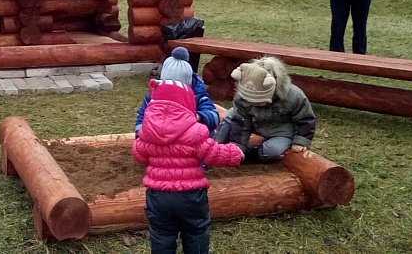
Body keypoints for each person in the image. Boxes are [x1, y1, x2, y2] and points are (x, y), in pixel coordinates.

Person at [132, 78, 244, 254]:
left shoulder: (147, 132)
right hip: (190, 196)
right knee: (196, 232)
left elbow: (139, 154)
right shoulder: (196, 131)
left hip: (158, 197)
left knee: (161, 234)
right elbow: (213, 154)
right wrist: (235, 153)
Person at [213, 56, 316, 163]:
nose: (254, 103)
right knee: (232, 114)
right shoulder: (242, 98)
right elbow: (241, 122)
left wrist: (301, 140)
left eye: (259, 100)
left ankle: (252, 154)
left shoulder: (293, 96)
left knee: (274, 150)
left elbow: (305, 118)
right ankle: (216, 146)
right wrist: (238, 145)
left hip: (279, 129)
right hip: (253, 122)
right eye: (251, 100)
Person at [135, 46, 220, 137]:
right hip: (161, 137)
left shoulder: (198, 96)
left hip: (190, 139)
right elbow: (141, 117)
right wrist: (140, 136)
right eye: (168, 84)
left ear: (188, 83)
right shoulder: (154, 96)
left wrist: (196, 117)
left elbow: (214, 117)